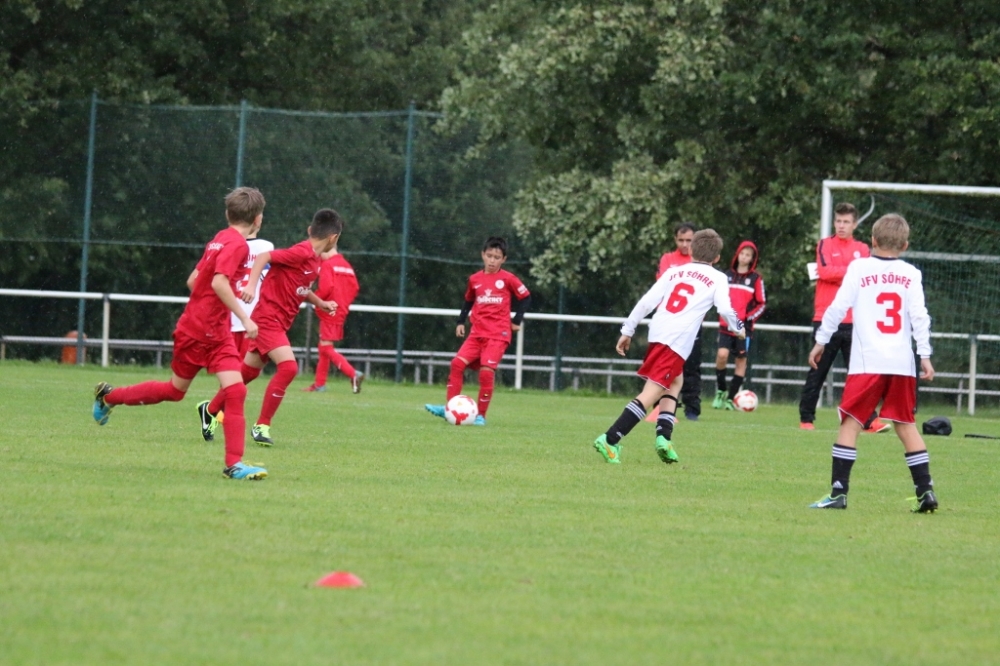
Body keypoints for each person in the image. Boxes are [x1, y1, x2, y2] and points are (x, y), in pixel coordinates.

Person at [91, 187, 268, 480]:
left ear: (227, 214)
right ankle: (110, 397)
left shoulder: (219, 239)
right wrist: (245, 318)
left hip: (215, 332)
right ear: (258, 219)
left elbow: (193, 281)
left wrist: (217, 304)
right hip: (197, 332)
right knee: (174, 391)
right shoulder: (238, 245)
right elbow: (218, 283)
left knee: (236, 390)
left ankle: (234, 464)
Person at [807, 214, 938, 512]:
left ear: (872, 242)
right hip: (902, 363)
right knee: (906, 424)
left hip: (868, 363)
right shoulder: (911, 273)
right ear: (905, 245)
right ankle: (926, 492)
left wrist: (821, 341)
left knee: (850, 423)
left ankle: (838, 493)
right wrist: (925, 355)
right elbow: (920, 317)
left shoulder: (859, 267)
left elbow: (838, 307)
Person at [594, 229, 744, 465]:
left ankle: (664, 439)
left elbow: (646, 302)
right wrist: (739, 328)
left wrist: (628, 330)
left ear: (691, 250)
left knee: (675, 382)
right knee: (652, 392)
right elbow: (725, 309)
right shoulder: (718, 277)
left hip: (659, 332)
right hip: (676, 340)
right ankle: (610, 439)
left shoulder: (674, 271)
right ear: (717, 258)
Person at [198, 209, 342, 447]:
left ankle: (210, 410)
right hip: (267, 320)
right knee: (289, 367)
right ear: (333, 238)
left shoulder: (314, 261)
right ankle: (262, 425)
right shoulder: (302, 252)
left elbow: (301, 288)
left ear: (310, 230)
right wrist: (251, 286)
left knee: (247, 374)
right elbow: (264, 257)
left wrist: (321, 303)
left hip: (278, 323)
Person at [798, 202, 889, 433]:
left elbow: (866, 276)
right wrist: (852, 271)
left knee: (860, 375)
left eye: (846, 222)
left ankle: (868, 420)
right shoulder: (824, 244)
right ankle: (806, 418)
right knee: (818, 370)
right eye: (838, 221)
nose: (841, 225)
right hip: (826, 319)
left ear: (854, 224)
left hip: (855, 321)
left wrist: (843, 272)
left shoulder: (863, 248)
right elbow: (824, 271)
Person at [424, 237, 531, 426]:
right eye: (489, 256)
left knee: (486, 373)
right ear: (483, 255)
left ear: (504, 259)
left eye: (497, 257)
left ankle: (481, 415)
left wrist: (516, 320)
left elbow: (525, 296)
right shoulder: (475, 279)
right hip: (477, 334)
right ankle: (449, 408)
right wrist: (460, 321)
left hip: (497, 335)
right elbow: (468, 300)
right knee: (457, 364)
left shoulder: (508, 279)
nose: (492, 260)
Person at [191, 225, 273, 441]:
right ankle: (223, 419)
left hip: (237, 320)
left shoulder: (225, 244)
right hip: (245, 320)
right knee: (240, 376)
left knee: (243, 374)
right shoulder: (263, 246)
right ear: (257, 220)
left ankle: (212, 411)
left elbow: (194, 281)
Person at [656, 223, 704, 421]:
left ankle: (692, 410)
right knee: (665, 366)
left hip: (692, 323)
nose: (685, 244)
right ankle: (661, 408)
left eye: (689, 240)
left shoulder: (701, 262)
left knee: (691, 366)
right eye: (681, 240)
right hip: (669, 322)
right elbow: (662, 287)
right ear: (675, 240)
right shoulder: (668, 259)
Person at [713, 240, 766, 409]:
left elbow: (761, 303)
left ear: (752, 259)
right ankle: (721, 390)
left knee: (741, 361)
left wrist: (748, 318)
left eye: (748, 255)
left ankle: (731, 398)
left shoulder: (756, 278)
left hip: (744, 328)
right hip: (725, 324)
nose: (744, 257)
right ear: (737, 255)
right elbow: (717, 296)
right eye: (742, 253)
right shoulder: (726, 275)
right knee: (722, 355)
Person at [304, 242, 362, 393]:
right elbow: (355, 288)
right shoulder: (346, 265)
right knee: (324, 344)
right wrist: (343, 302)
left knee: (326, 347)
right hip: (340, 309)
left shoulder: (328, 265)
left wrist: (315, 299)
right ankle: (320, 384)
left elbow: (326, 288)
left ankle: (353, 373)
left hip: (329, 308)